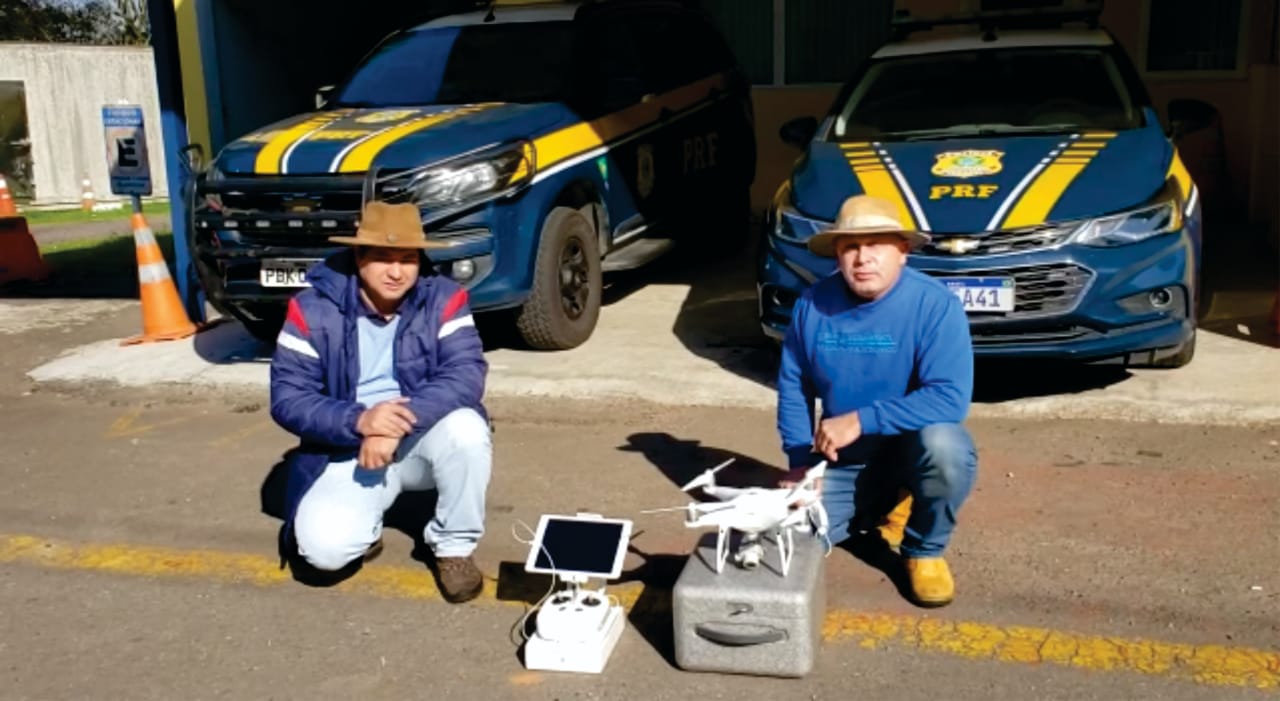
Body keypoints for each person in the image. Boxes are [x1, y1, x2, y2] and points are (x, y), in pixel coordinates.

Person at [270, 200, 492, 603]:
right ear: (359, 257)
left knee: (468, 431)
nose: (396, 272)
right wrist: (360, 421)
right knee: (324, 553)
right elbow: (289, 398)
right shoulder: (310, 309)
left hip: (420, 435)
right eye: (383, 258)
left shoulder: (446, 298)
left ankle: (453, 546)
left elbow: (465, 374)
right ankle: (366, 524)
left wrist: (395, 423)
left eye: (408, 259)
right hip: (349, 445)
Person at [777, 194, 977, 607]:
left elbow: (950, 398)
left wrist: (860, 420)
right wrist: (799, 463)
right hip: (844, 461)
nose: (862, 257)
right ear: (837, 253)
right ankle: (879, 506)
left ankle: (924, 549)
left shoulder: (935, 305)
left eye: (876, 245)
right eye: (851, 246)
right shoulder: (811, 305)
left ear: (903, 251)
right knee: (784, 539)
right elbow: (794, 386)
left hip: (912, 448)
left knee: (946, 448)